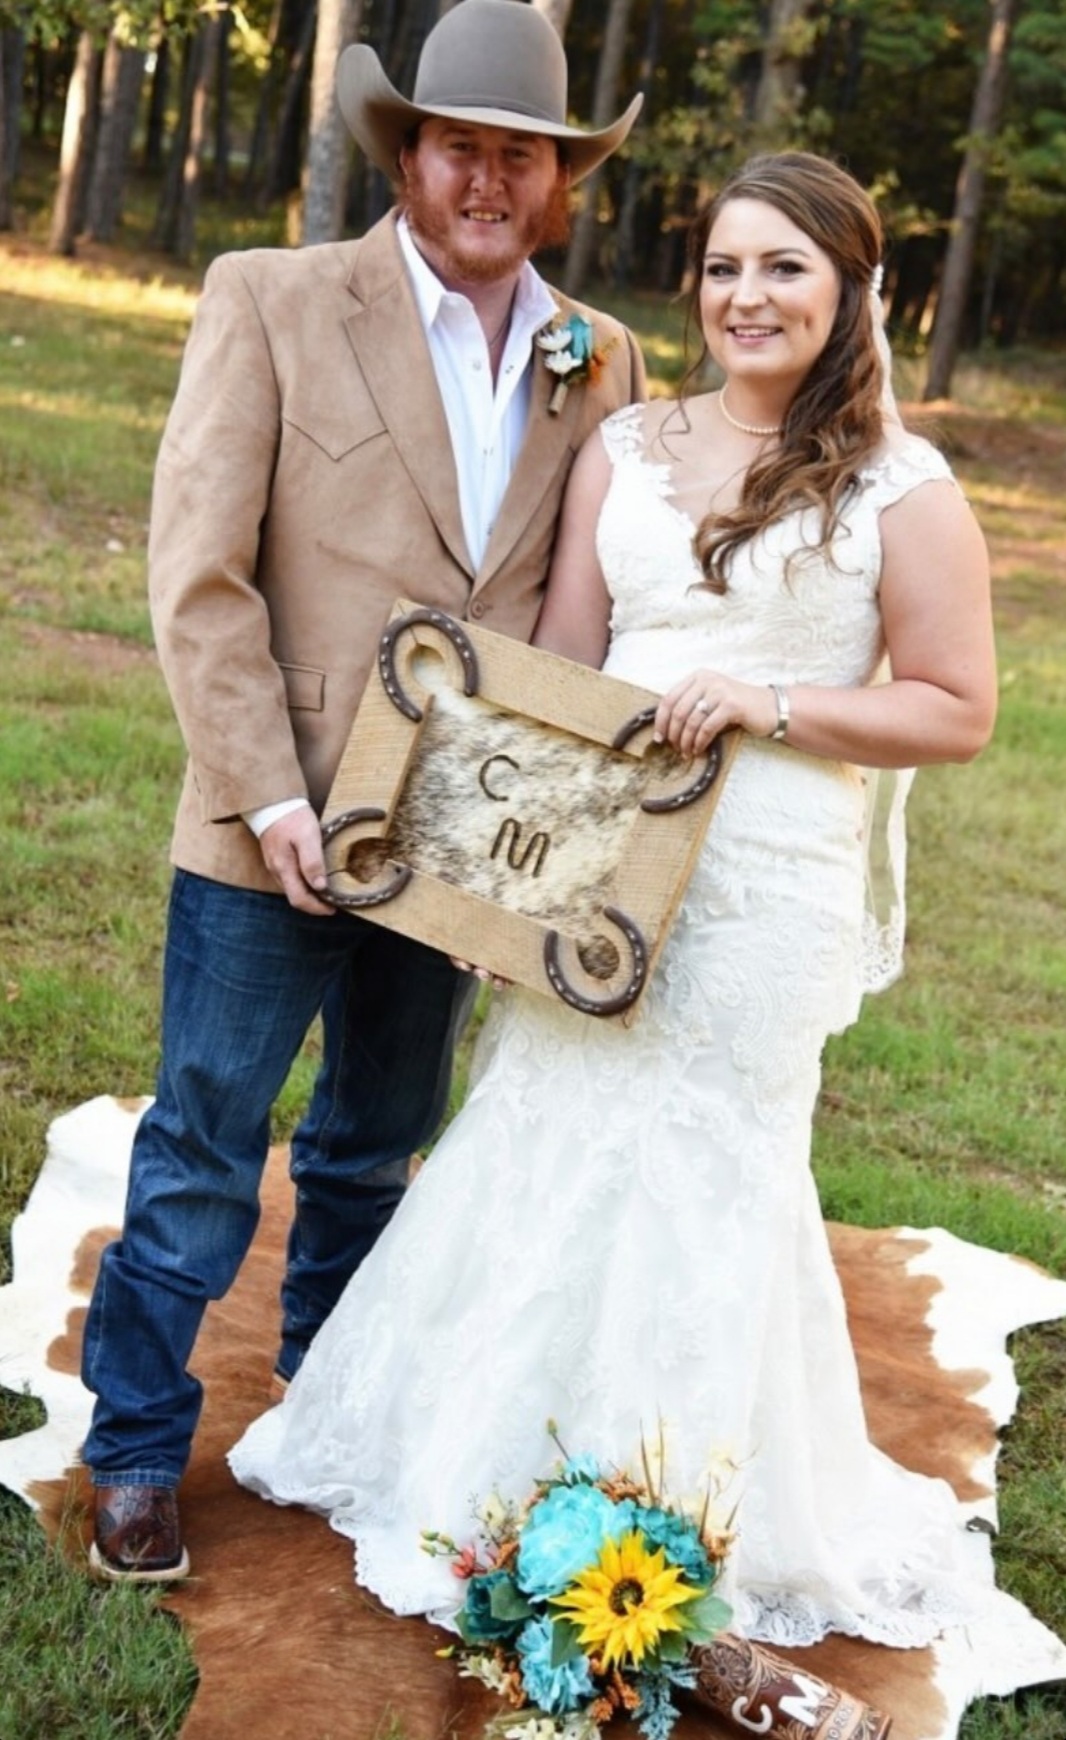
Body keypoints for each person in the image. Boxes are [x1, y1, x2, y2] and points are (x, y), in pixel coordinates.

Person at [229, 149, 998, 1657]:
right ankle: (484, 1473)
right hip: (608, 863)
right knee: (545, 1133)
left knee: (704, 1169)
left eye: (783, 266)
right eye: (721, 266)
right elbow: (560, 677)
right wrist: (502, 886)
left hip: (766, 879)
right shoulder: (626, 447)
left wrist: (770, 700)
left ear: (852, 288)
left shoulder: (903, 486)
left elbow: (955, 707)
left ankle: (674, 1498)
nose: (745, 295)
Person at [81, 0, 646, 1583]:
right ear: (405, 153)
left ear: (556, 180)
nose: (488, 180)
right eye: (459, 146)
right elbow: (198, 579)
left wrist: (528, 865)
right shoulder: (269, 298)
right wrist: (266, 798)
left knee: (375, 1144)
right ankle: (132, 1447)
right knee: (204, 1141)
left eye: (519, 157)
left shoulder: (597, 354)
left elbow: (577, 607)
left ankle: (330, 1407)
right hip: (271, 825)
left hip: (460, 843)